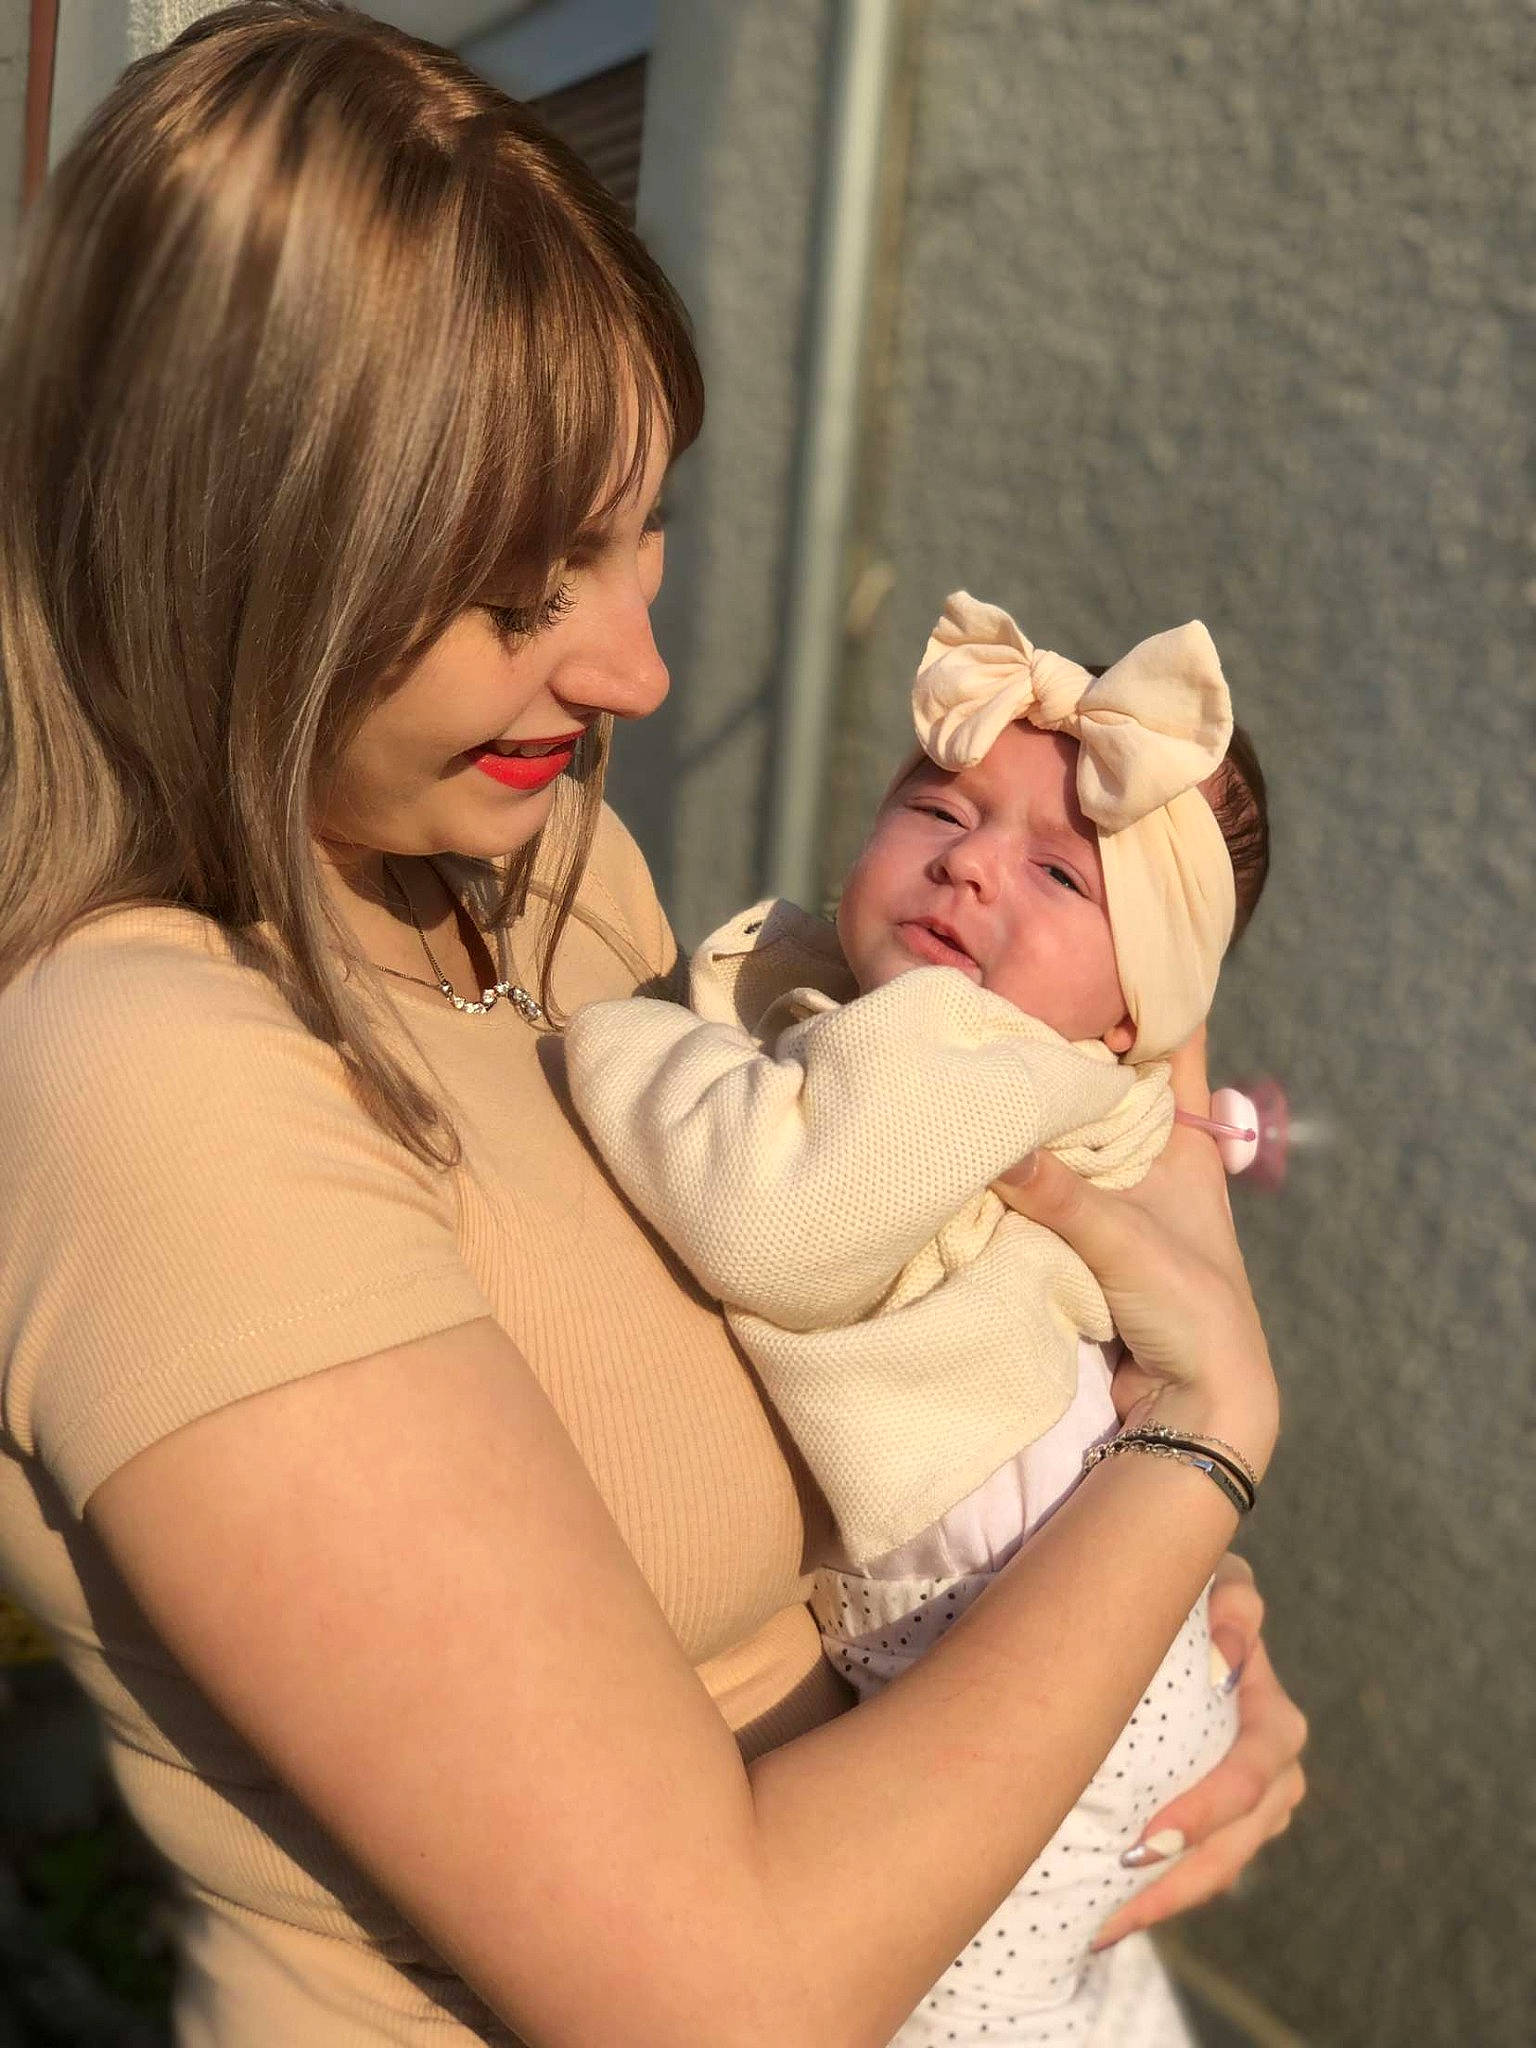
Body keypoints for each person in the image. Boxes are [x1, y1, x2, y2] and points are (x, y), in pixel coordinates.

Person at [0, 7, 1303, 2045]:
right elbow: (725, 1995)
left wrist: (1146, 1640)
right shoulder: (143, 1076)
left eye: (637, 536)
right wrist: (1208, 1432)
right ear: (233, 560)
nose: (641, 668)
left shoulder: (524, 869)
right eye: (527, 592)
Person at [566, 596, 1268, 2043]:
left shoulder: (968, 1051)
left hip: (1011, 1650)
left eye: (1067, 879)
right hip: (1089, 1635)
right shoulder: (1034, 1063)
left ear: (1141, 1010)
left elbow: (773, 1221)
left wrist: (612, 1036)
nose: (968, 865)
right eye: (934, 804)